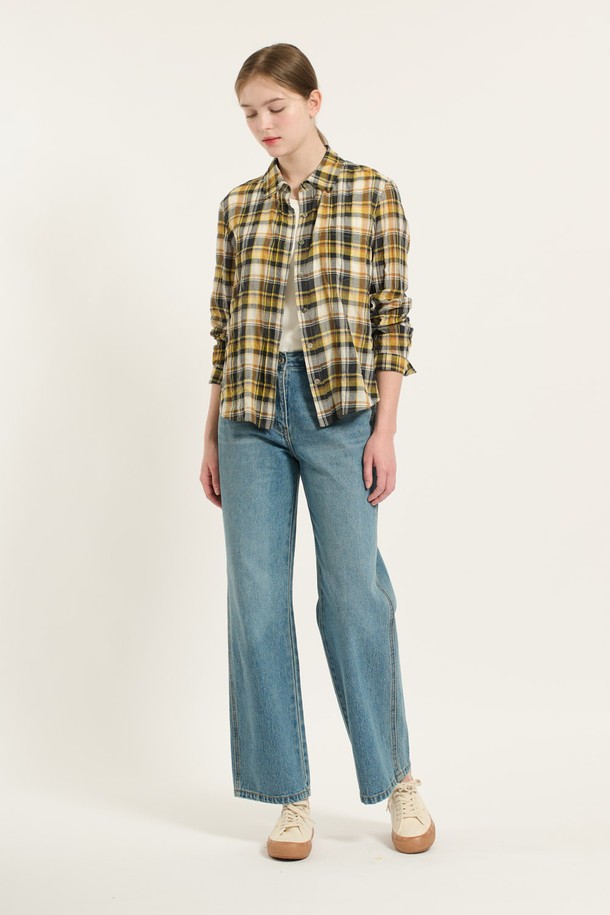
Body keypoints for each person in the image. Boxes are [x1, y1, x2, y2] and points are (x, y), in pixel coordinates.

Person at [199, 43, 435, 860]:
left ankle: (398, 778)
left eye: (276, 107)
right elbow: (224, 326)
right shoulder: (238, 206)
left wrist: (385, 429)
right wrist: (211, 431)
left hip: (341, 412)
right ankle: (288, 794)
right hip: (250, 412)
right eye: (250, 113)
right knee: (257, 601)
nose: (264, 124)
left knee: (354, 595)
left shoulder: (372, 192)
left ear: (313, 101)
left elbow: (393, 320)